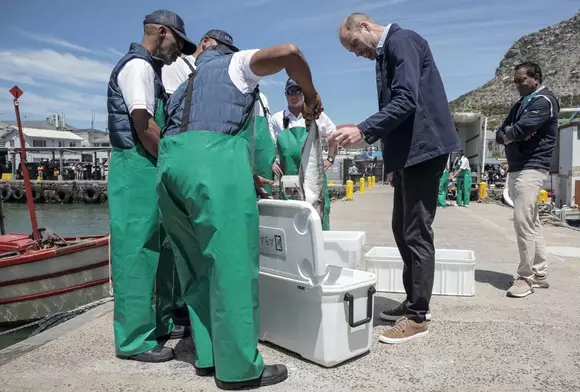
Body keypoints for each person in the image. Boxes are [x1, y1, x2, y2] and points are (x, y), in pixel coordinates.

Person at [158, 38, 323, 388]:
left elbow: (192, 134)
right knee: (231, 266)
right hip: (214, 165)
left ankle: (208, 355)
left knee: (195, 266)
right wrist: (310, 94)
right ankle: (239, 370)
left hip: (170, 169)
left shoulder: (182, 84)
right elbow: (291, 52)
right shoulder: (233, 64)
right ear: (219, 47)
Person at [330, 13, 460, 344]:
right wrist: (391, 159)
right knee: (400, 228)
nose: (357, 53)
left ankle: (418, 316)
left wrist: (363, 130)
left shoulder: (402, 42)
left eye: (355, 45)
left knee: (416, 230)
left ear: (363, 26)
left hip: (425, 147)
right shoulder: (385, 54)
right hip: (408, 154)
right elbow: (397, 107)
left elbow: (406, 100)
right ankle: (413, 300)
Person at [106, 9, 196, 363]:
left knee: (157, 250)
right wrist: (174, 163)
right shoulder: (138, 67)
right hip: (134, 166)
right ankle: (132, 341)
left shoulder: (151, 70)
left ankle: (156, 325)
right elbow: (144, 127)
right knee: (136, 253)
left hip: (144, 167)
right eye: (178, 42)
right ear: (161, 32)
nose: (179, 51)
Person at [163, 29, 274, 194]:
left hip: (224, 162)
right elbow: (172, 117)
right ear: (205, 41)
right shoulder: (178, 65)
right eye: (222, 48)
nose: (225, 55)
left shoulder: (230, 78)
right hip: (189, 159)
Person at [495, 62, 559, 298]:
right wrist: (510, 134)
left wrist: (513, 133)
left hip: (532, 167)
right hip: (518, 166)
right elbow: (501, 133)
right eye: (515, 81)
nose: (517, 85)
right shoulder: (521, 104)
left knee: (522, 221)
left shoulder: (544, 101)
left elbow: (521, 130)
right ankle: (540, 273)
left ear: (536, 78)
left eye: (521, 80)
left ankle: (526, 277)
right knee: (531, 222)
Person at [269, 78, 338, 230]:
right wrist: (272, 161)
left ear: (304, 94)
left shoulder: (318, 116)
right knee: (293, 223)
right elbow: (269, 143)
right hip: (290, 181)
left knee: (317, 219)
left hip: (314, 178)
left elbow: (334, 136)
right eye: (290, 92)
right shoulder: (277, 119)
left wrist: (330, 159)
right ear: (285, 94)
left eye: (298, 91)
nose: (294, 95)